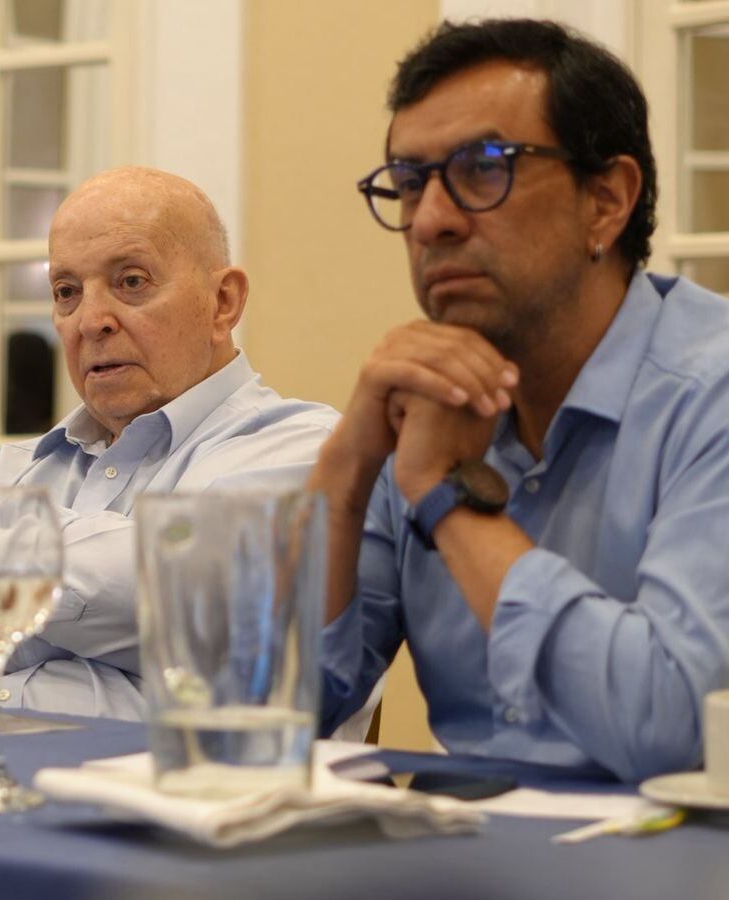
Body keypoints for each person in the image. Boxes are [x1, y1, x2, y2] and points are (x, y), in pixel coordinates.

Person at [313, 18, 729, 783]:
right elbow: (255, 706)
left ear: (606, 200)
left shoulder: (712, 391)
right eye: (409, 182)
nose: (431, 220)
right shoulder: (426, 403)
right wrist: (344, 475)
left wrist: (447, 498)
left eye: (483, 168)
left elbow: (676, 728)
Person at [0, 166, 340, 718]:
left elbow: (225, 676)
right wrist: (109, 627)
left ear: (223, 303)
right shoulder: (16, 470)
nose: (91, 321)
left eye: (132, 282)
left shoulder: (308, 451)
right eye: (67, 292)